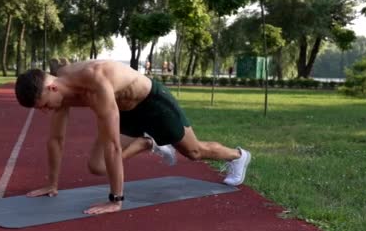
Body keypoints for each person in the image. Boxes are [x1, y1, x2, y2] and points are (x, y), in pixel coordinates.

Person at [14, 60, 251, 215]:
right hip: (125, 110)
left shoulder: (96, 83)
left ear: (52, 88)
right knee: (97, 166)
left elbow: (113, 146)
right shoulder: (60, 89)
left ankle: (238, 156)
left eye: (44, 106)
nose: (45, 111)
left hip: (152, 103)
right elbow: (56, 138)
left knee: (194, 152)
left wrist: (115, 199)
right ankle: (148, 142)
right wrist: (52, 184)